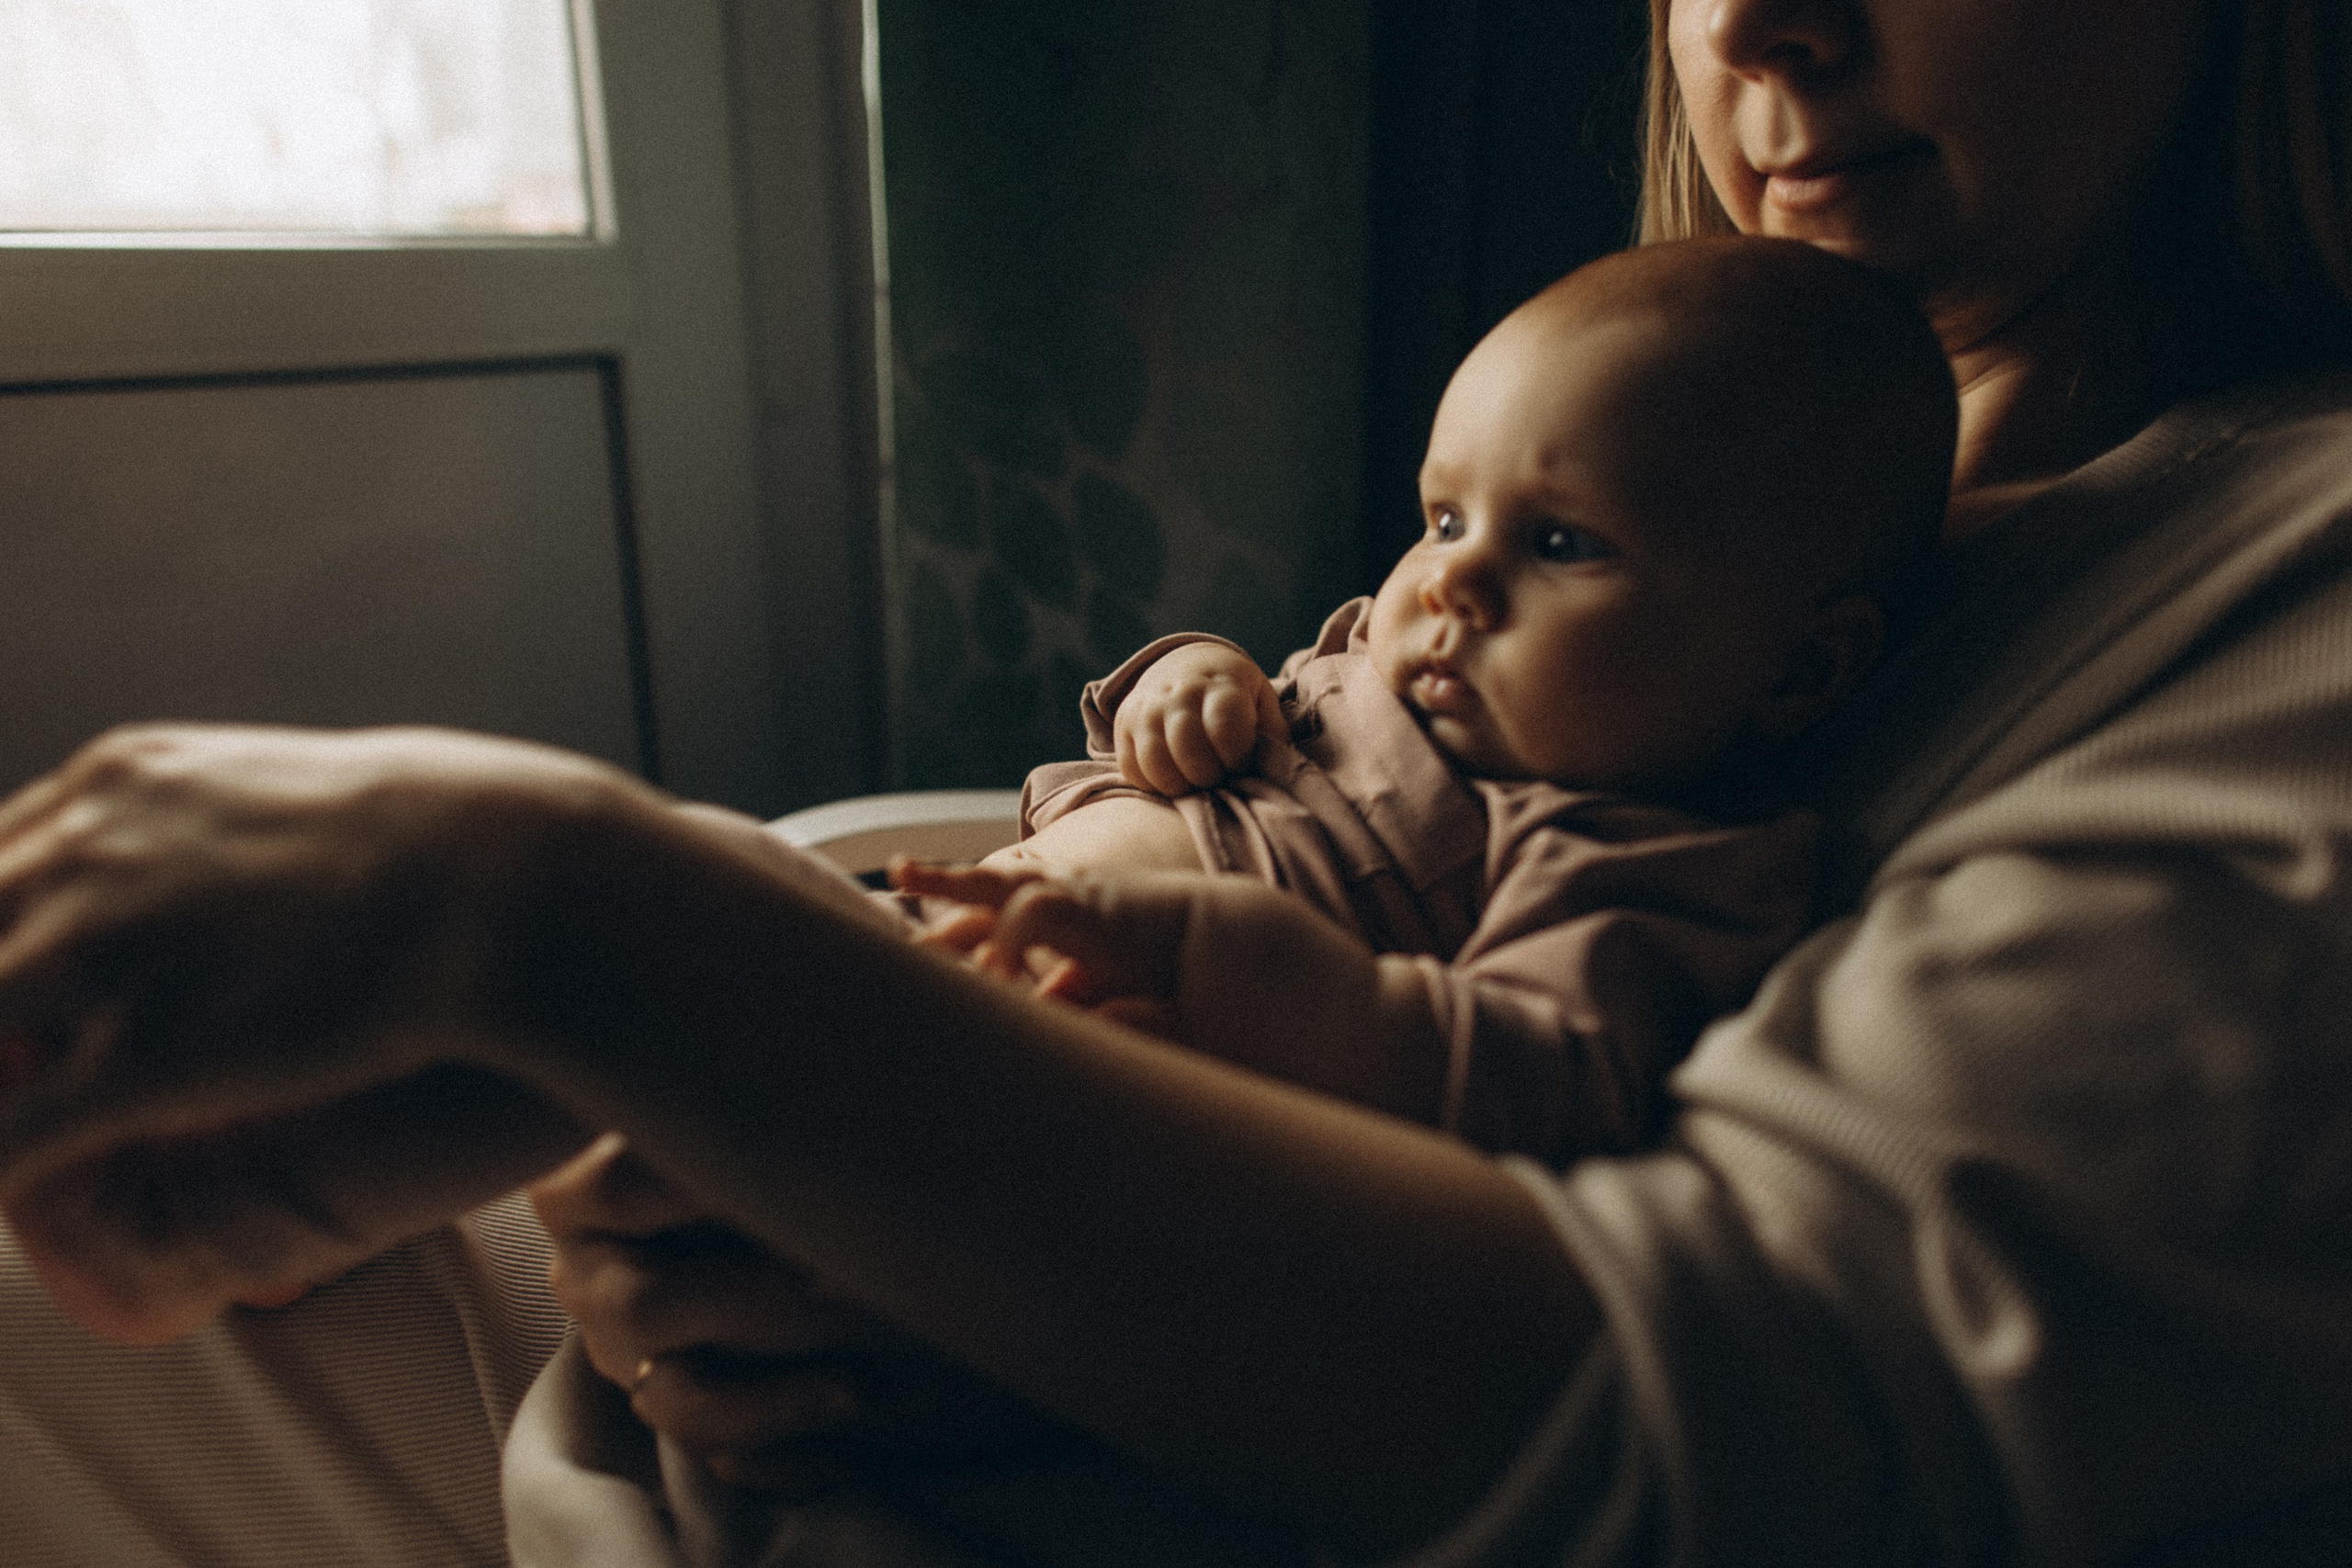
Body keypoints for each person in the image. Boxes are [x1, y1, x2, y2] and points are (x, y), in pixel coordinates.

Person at [2, 1, 2350, 1564]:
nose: (1749, 22)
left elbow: (1725, 1403)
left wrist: (593, 931)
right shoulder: (1653, 436)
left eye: (1529, 547)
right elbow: (1324, 719)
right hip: (745, 1250)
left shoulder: (2269, 574)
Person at [504, 233, 1954, 1568]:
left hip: (1053, 1085)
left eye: (1561, 544)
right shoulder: (1398, 660)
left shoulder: (1648, 858)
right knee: (638, 933)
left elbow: (1548, 1089)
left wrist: (1301, 994)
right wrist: (1188, 678)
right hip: (937, 930)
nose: (1450, 587)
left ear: (1802, 671)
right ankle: (352, 1140)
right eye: (1444, 516)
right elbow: (1251, 694)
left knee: (691, 1177)